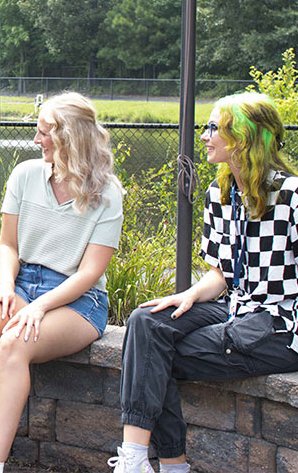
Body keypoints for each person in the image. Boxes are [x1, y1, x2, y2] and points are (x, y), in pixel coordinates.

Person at [109, 92, 298, 473]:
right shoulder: (220, 194)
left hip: (281, 324)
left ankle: (167, 466)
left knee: (150, 358)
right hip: (237, 308)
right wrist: (188, 296)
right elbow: (222, 274)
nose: (204, 135)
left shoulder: (292, 195)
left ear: (243, 136)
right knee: (146, 322)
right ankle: (139, 460)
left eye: (214, 127)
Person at [0, 92, 124, 473]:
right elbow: (8, 244)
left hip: (77, 300)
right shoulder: (25, 175)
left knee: (14, 343)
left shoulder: (108, 193)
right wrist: (5, 286)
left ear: (70, 137)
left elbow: (89, 273)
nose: (37, 141)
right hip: (22, 284)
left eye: (45, 132)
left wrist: (40, 306)